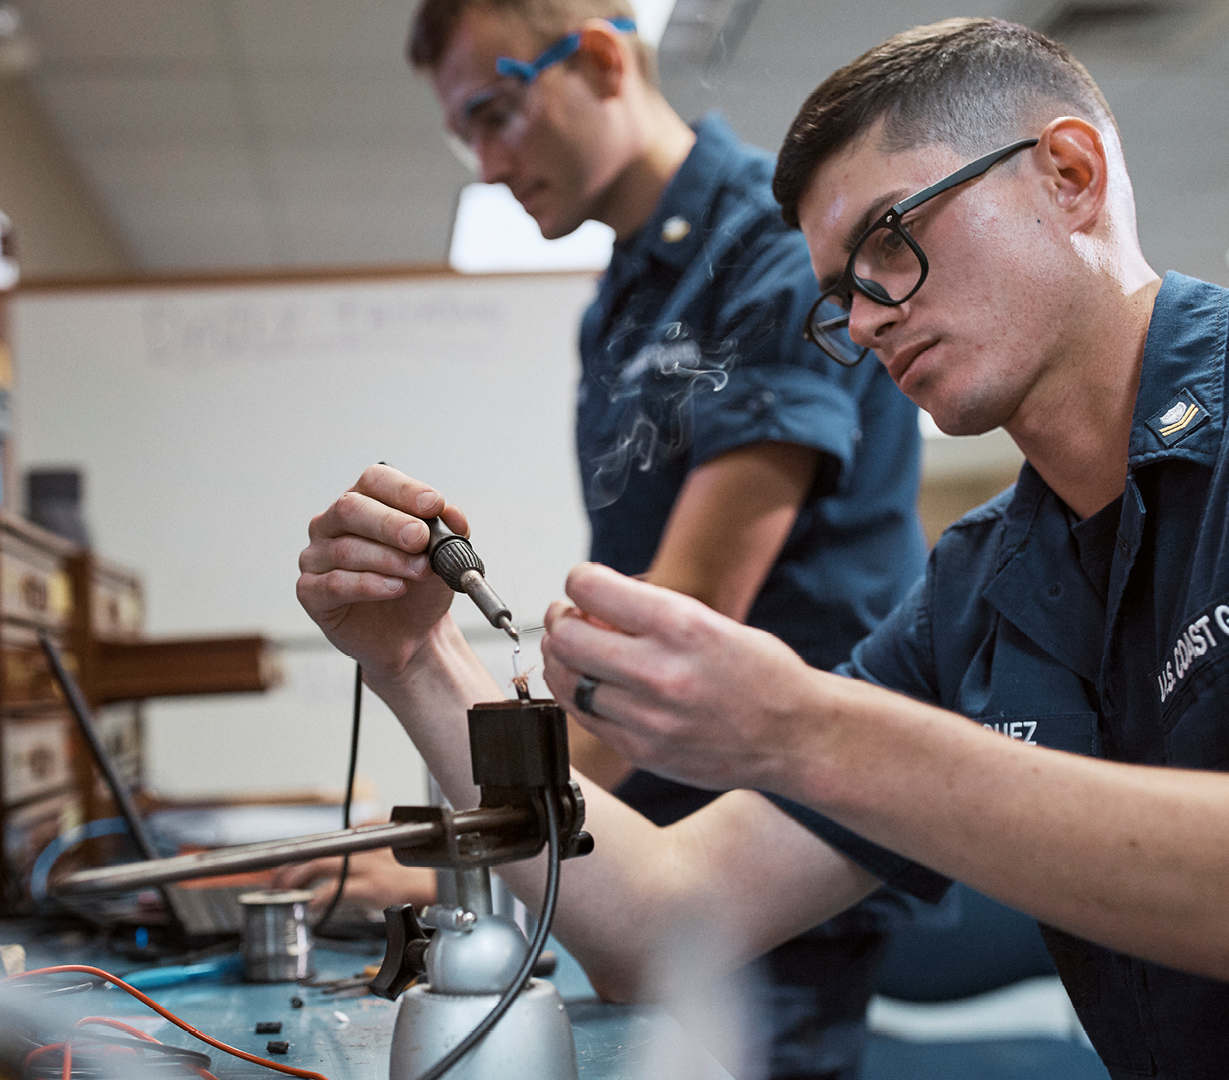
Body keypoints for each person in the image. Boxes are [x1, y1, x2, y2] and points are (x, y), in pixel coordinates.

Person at [295, 16, 1229, 1078]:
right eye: (838, 294)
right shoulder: (986, 583)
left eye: (891, 239)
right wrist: (419, 666)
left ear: (1069, 174)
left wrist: (800, 728)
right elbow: (653, 926)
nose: (861, 322)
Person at [277, 3, 929, 1076]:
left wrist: (471, 857)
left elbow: (675, 633)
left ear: (594, 57)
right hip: (629, 834)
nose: (486, 164)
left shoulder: (773, 254)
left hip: (762, 850)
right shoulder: (625, 294)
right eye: (463, 134)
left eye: (496, 113)